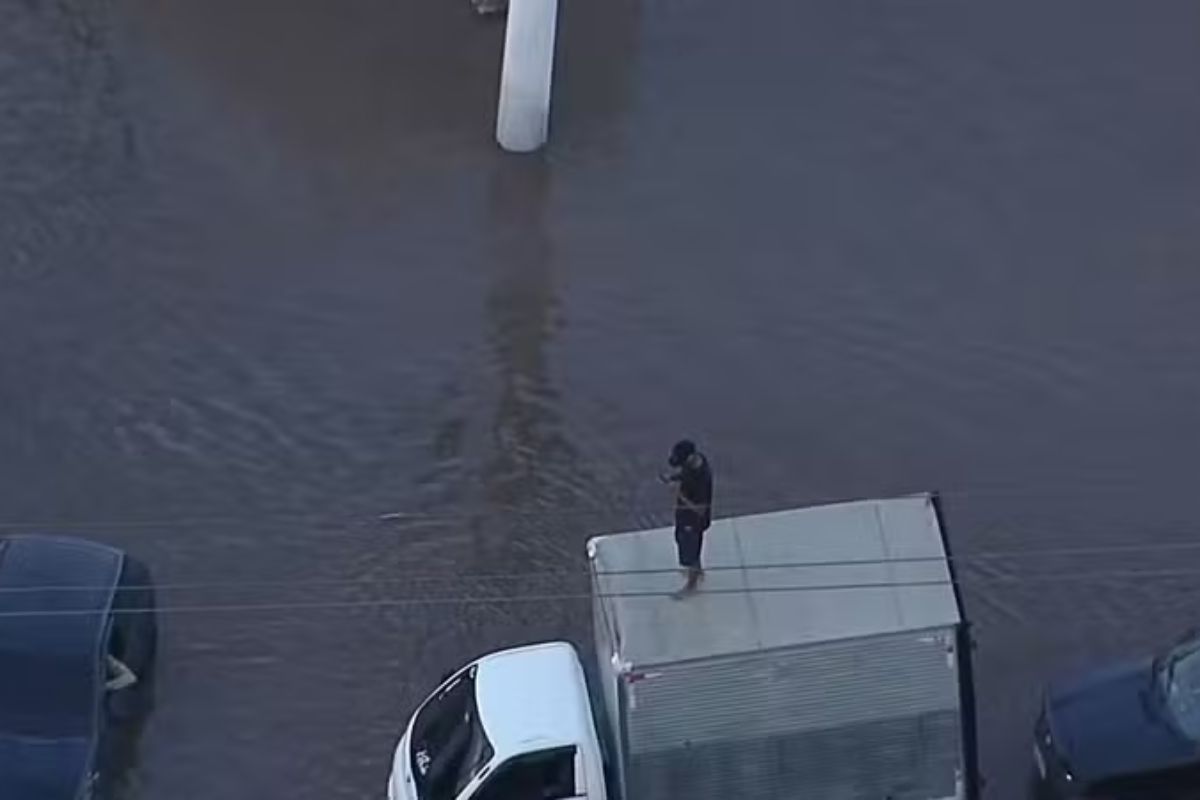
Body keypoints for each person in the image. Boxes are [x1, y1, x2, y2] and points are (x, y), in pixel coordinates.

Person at [661, 439, 713, 597]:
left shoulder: (702, 480)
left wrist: (678, 495)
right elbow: (685, 475)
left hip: (693, 521)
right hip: (684, 517)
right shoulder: (694, 462)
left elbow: (701, 509)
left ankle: (692, 585)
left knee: (691, 550)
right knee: (684, 543)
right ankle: (697, 571)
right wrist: (673, 478)